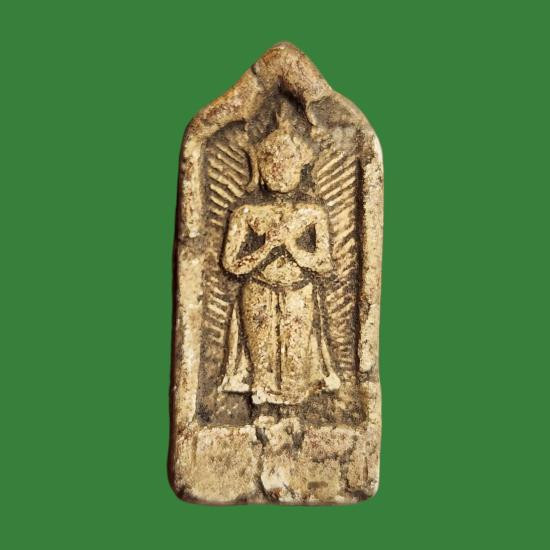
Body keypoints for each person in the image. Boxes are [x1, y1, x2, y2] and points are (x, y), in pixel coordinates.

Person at [219, 120, 341, 410]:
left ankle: (293, 419)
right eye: (271, 160)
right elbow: (231, 264)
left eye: (287, 159)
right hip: (258, 290)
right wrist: (266, 247)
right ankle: (260, 416)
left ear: (300, 165)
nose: (279, 167)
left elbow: (324, 264)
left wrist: (292, 246)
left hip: (299, 292)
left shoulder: (311, 213)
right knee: (261, 362)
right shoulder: (246, 213)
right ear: (259, 167)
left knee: (295, 361)